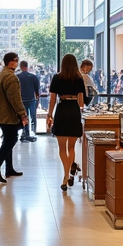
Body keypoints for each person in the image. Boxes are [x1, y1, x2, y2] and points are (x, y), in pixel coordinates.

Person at [46, 54, 87, 192]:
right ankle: (69, 172)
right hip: (74, 111)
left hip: (62, 110)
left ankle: (65, 175)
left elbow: (52, 99)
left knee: (62, 148)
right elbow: (81, 102)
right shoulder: (79, 78)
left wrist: (49, 115)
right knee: (71, 148)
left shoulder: (57, 77)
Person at [0, 52, 29, 183]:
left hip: (0, 113)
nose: (17, 63)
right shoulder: (11, 77)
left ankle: (9, 168)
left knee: (8, 139)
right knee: (11, 140)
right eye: (16, 60)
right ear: (11, 62)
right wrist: (23, 114)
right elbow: (15, 99)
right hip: (8, 115)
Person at [16, 60, 41, 141]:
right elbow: (37, 90)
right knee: (33, 116)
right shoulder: (33, 77)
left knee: (24, 117)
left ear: (21, 67)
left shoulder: (17, 77)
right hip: (31, 99)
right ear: (27, 66)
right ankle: (33, 132)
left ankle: (25, 132)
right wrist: (38, 100)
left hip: (22, 100)